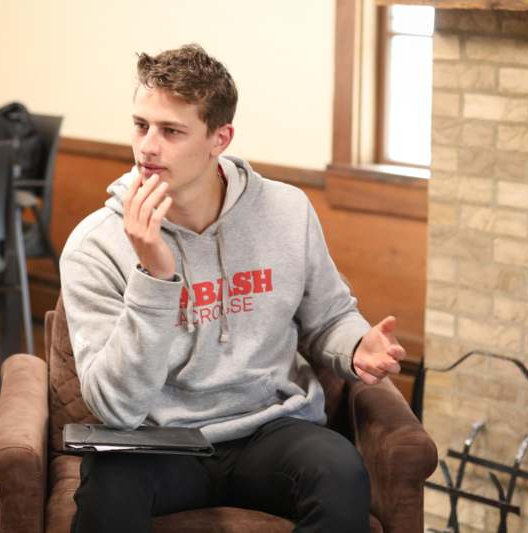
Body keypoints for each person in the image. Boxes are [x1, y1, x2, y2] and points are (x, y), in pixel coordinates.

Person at [60, 43, 406, 533]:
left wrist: (354, 344)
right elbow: (115, 407)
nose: (147, 147)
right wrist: (155, 278)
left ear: (219, 138)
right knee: (107, 489)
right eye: (141, 126)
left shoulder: (286, 211)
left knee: (340, 473)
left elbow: (329, 317)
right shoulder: (95, 244)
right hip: (158, 439)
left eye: (171, 131)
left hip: (270, 427)